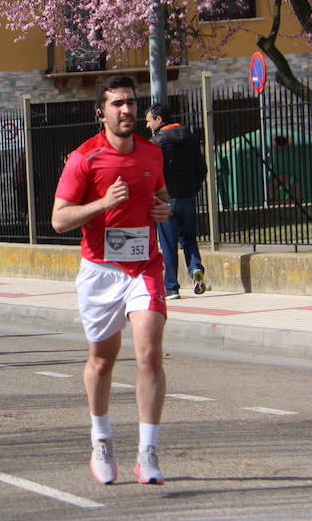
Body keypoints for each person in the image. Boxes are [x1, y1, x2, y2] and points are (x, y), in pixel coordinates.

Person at [51, 75, 172, 486]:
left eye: (132, 103)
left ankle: (148, 451)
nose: (127, 110)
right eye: (117, 103)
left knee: (149, 353)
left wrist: (163, 210)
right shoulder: (84, 158)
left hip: (145, 266)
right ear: (100, 112)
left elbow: (161, 195)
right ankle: (101, 440)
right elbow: (59, 219)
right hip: (101, 271)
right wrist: (103, 203)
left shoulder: (152, 154)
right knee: (102, 360)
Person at [146, 104, 208, 299]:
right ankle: (195, 268)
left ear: (159, 119)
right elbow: (202, 168)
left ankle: (172, 288)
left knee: (168, 243)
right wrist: (193, 189)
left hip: (166, 200)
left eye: (148, 121)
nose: (147, 125)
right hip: (188, 198)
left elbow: (151, 173)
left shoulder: (156, 142)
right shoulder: (190, 137)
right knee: (189, 236)